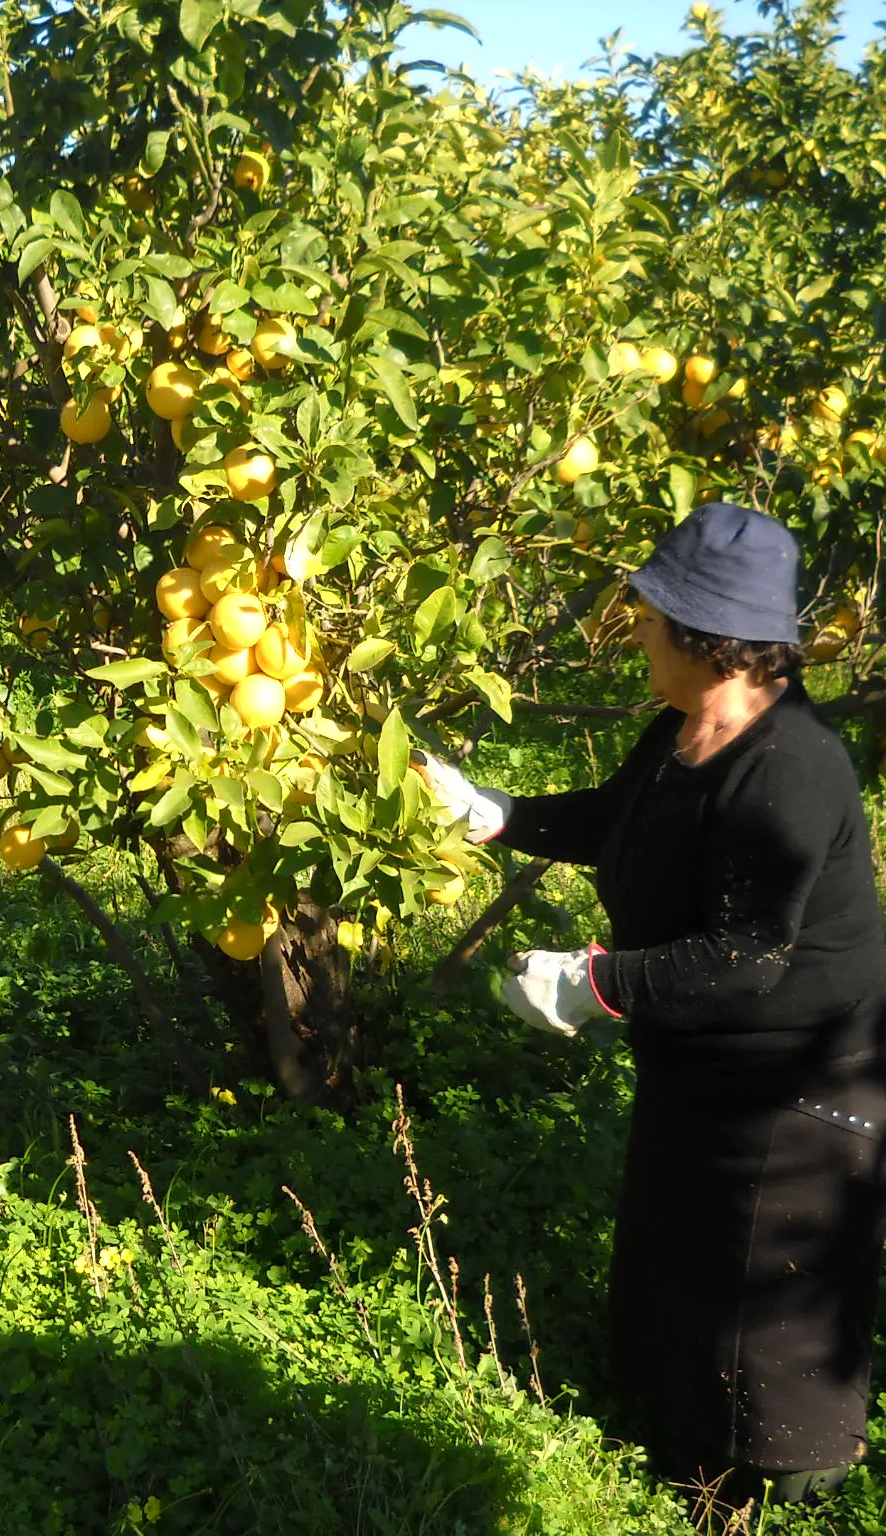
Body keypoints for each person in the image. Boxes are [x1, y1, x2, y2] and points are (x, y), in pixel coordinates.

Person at [419, 501, 886, 1507]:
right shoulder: (683, 730)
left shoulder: (792, 770)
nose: (635, 630)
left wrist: (597, 986)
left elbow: (749, 954)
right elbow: (617, 820)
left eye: (650, 616)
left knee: (765, 1280)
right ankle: (675, 1433)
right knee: (681, 1247)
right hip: (704, 1059)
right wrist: (498, 817)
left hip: (796, 1084)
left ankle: (766, 1482)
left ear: (708, 640)